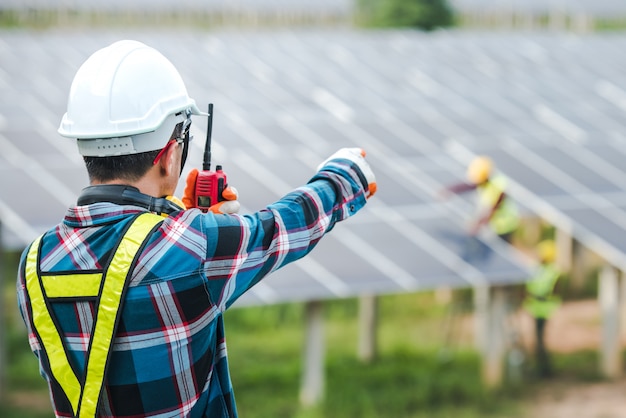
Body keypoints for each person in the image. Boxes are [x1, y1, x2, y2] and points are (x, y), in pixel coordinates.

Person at [16, 40, 376, 417]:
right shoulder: (196, 245)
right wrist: (345, 175)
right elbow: (283, 227)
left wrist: (179, 218)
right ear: (170, 154)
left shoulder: (34, 263)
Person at [442, 156, 519, 242]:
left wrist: (476, 226)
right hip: (492, 224)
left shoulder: (498, 187)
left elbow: (492, 210)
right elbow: (471, 185)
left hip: (504, 227)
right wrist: (452, 190)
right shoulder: (485, 180)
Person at [523, 239, 561, 378]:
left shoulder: (553, 272)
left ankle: (544, 370)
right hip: (534, 308)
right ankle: (542, 368)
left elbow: (555, 290)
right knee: (537, 340)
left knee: (541, 341)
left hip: (545, 310)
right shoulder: (535, 268)